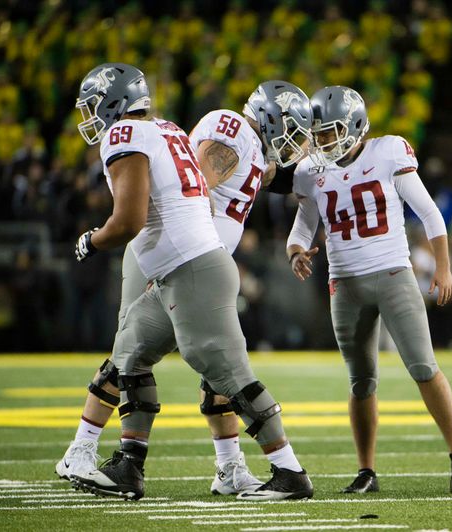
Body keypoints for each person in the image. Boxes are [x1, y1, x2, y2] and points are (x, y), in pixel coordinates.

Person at [63, 63, 313, 501]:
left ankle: (235, 467)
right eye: (292, 129)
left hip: (192, 259)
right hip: (179, 253)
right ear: (273, 117)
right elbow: (191, 181)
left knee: (186, 362)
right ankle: (96, 452)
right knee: (132, 351)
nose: (292, 142)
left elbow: (267, 175)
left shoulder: (251, 145)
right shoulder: (231, 127)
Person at [286, 85, 452, 494]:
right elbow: (304, 224)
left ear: (354, 127)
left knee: (423, 368)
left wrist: (443, 266)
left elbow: (428, 212)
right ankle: (366, 470)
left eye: (330, 132)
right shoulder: (310, 170)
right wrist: (295, 250)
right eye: (318, 134)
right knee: (360, 381)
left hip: (392, 274)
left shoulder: (388, 151)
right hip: (345, 284)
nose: (322, 141)